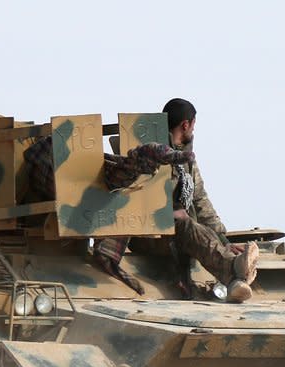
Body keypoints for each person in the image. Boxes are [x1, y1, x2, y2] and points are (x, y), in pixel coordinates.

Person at [94, 98, 258, 303]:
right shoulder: (148, 155)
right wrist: (167, 215)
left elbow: (200, 200)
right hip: (145, 234)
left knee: (187, 223)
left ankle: (235, 281)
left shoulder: (186, 159)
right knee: (184, 223)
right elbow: (132, 199)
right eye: (194, 124)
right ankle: (233, 270)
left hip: (177, 232)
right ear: (186, 124)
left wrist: (223, 240)